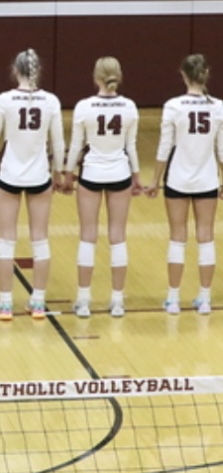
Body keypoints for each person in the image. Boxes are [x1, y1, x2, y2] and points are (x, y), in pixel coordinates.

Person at [0, 49, 66, 320]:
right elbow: (57, 142)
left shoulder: (4, 100)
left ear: (16, 70)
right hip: (39, 176)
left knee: (6, 241)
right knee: (40, 239)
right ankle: (37, 303)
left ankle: (5, 304)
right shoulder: (51, 101)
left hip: (10, 175)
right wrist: (60, 172)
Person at [145, 53, 223, 315]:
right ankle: (204, 299)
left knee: (177, 237)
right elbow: (222, 151)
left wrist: (155, 181)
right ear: (206, 75)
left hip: (178, 178)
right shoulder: (218, 107)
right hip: (207, 179)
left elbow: (164, 148)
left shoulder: (173, 106)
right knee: (206, 237)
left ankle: (173, 298)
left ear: (183, 75)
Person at [65, 57, 141, 318]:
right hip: (120, 172)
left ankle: (84, 301)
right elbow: (131, 146)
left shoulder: (84, 107)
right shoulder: (130, 107)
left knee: (88, 235)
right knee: (117, 235)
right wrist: (137, 175)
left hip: (92, 174)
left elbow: (76, 146)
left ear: (95, 77)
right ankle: (117, 301)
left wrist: (66, 173)